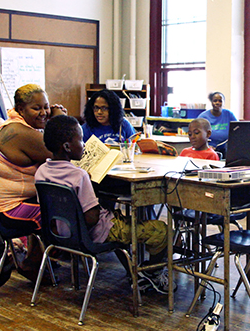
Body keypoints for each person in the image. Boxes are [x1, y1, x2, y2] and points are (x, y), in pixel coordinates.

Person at [36, 115, 172, 294]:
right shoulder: (79, 176)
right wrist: (91, 190)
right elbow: (91, 218)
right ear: (68, 147)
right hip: (96, 233)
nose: (84, 144)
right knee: (162, 230)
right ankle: (151, 275)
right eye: (80, 140)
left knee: (124, 221)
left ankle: (138, 272)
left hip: (61, 235)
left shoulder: (41, 172)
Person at [0, 83, 67, 278]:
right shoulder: (21, 133)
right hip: (8, 210)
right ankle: (36, 262)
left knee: (48, 202)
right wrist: (60, 119)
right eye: (37, 108)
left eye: (46, 106)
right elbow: (64, 152)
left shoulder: (13, 125)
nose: (44, 112)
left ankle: (38, 260)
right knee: (62, 214)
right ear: (20, 109)